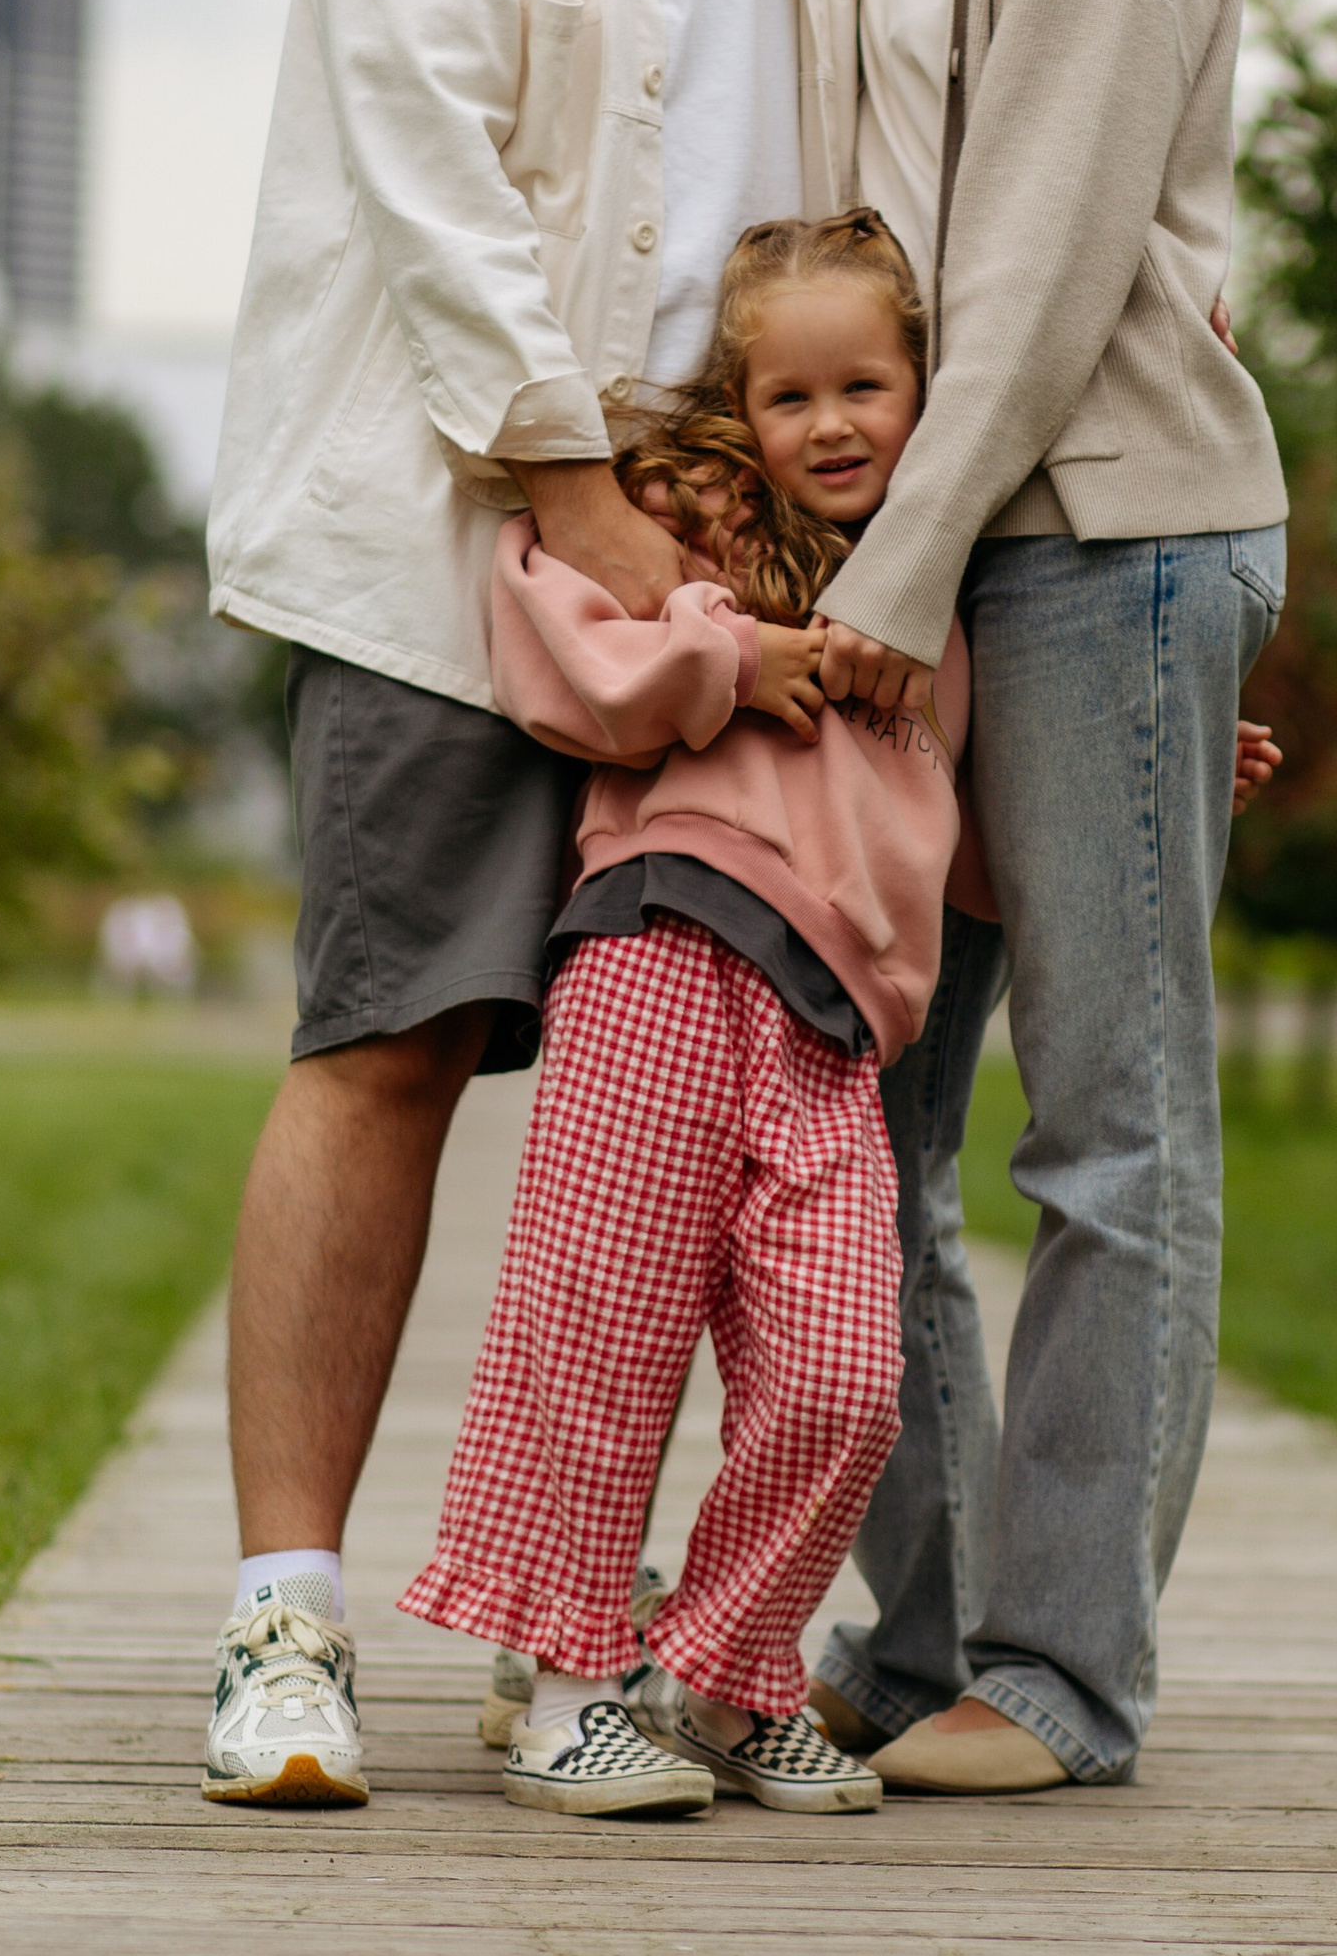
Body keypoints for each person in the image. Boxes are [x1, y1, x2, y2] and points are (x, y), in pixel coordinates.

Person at [197, 0, 887, 1809]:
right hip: (448, 541)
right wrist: (587, 510)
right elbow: (430, 175)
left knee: (701, 1110)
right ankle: (283, 1622)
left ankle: (576, 1624)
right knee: (388, 1036)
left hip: (752, 587)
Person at [792, 0, 1291, 1794]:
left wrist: (897, 562)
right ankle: (924, 1646)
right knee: (848, 1113)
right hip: (954, 528)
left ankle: (1063, 1673)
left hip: (1086, 526)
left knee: (1102, 1125)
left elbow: (1068, 221)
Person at [402, 211, 977, 1820]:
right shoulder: (688, 533)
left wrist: (1190, 764)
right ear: (742, 406)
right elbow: (553, 649)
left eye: (866, 384)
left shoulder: (945, 599)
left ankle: (717, 1678)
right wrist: (732, 658)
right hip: (664, 949)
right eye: (790, 397)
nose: (833, 424)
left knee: (850, 1377)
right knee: (597, 1338)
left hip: (834, 1033)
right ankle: (564, 1693)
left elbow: (975, 830)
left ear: (926, 390)